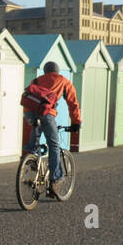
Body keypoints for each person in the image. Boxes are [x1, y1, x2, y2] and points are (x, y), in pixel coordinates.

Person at [22, 62, 81, 198]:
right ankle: (54, 180)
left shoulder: (36, 80)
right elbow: (73, 103)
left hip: (29, 113)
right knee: (54, 145)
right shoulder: (63, 81)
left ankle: (31, 162)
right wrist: (76, 122)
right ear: (57, 71)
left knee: (34, 141)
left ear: (45, 71)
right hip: (47, 113)